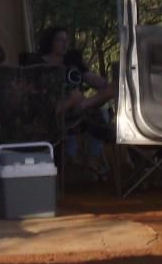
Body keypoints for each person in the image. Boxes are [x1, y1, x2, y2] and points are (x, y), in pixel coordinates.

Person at [37, 26, 114, 175]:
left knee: (103, 106)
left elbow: (95, 80)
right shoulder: (39, 64)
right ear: (50, 42)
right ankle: (80, 158)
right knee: (95, 113)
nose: (64, 44)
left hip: (77, 109)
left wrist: (109, 84)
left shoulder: (72, 61)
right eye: (60, 40)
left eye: (66, 40)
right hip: (56, 110)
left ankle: (92, 157)